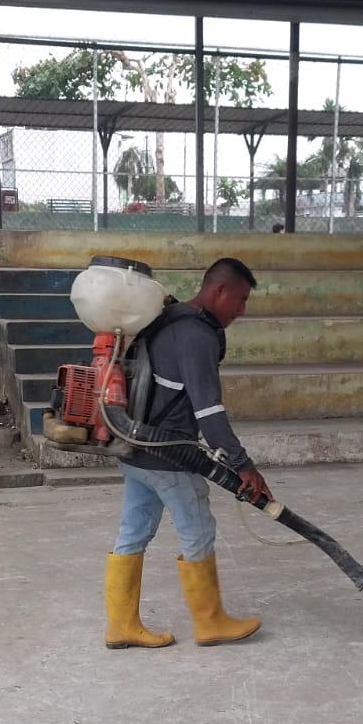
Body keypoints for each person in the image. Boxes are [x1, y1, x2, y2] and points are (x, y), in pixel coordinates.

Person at [104, 256, 272, 651]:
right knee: (197, 528)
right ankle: (210, 621)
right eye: (241, 300)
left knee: (132, 532)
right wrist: (243, 465)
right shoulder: (197, 335)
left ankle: (120, 625)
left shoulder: (169, 320)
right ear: (220, 291)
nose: (241, 310)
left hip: (135, 449)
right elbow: (208, 412)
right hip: (169, 456)